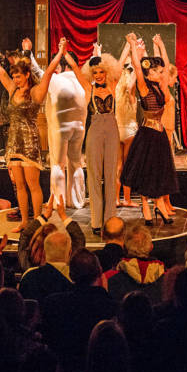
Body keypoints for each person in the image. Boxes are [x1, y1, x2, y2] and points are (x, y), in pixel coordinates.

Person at [0, 31, 66, 232]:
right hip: (13, 142)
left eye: (18, 76)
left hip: (29, 142)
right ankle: (24, 221)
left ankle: (37, 220)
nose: (15, 79)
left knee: (32, 184)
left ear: (27, 75)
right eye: (14, 76)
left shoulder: (36, 92)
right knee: (19, 185)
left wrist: (61, 51)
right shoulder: (12, 89)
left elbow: (47, 73)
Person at [119, 32, 179, 224]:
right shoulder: (144, 87)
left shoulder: (160, 86)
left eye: (160, 72)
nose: (161, 73)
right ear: (148, 73)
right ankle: (146, 205)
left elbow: (167, 66)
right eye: (156, 71)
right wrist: (131, 45)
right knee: (146, 171)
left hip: (159, 134)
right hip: (147, 135)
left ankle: (159, 204)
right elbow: (138, 66)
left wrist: (160, 45)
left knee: (160, 170)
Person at [69, 43, 121, 233]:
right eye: (95, 72)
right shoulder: (88, 88)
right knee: (94, 175)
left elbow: (121, 64)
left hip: (112, 130)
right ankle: (96, 221)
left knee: (110, 175)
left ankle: (109, 219)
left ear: (107, 71)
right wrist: (63, 51)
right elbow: (75, 69)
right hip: (95, 131)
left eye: (101, 71)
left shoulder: (114, 85)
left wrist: (130, 46)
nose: (99, 75)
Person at [46, 49, 87, 211]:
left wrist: (28, 52)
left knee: (58, 163)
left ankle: (59, 201)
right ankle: (76, 201)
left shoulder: (55, 79)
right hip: (79, 128)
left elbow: (36, 71)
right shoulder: (83, 82)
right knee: (76, 163)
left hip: (60, 129)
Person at [115, 41, 140, 208]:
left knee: (118, 166)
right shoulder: (131, 94)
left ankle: (116, 199)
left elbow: (120, 72)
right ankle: (127, 199)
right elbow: (134, 78)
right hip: (130, 131)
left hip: (117, 129)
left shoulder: (115, 89)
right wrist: (136, 55)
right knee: (128, 166)